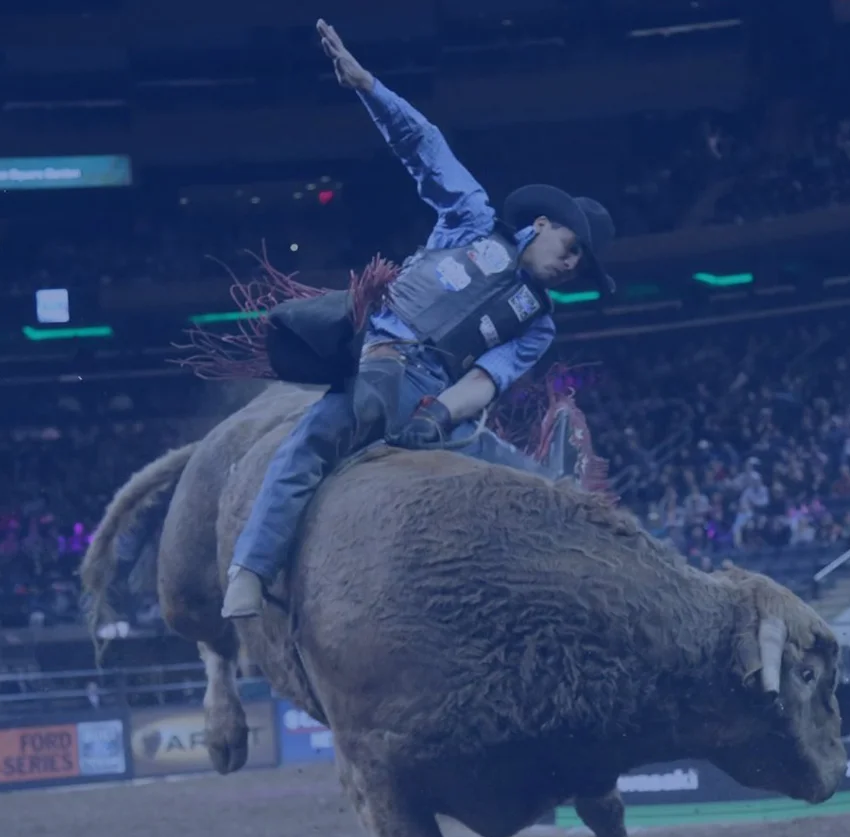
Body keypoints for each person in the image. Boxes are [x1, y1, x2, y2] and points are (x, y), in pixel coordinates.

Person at [220, 19, 616, 620]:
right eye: (572, 249)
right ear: (543, 225)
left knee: (526, 480)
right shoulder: (471, 219)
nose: (571, 265)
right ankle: (251, 567)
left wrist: (438, 414)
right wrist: (368, 86)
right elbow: (425, 147)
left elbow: (488, 377)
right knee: (309, 445)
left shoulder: (538, 323)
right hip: (385, 351)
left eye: (581, 266)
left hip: (438, 403)